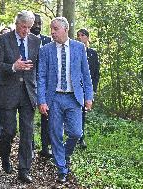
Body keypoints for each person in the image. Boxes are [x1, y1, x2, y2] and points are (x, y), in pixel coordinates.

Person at [37, 17, 93, 183]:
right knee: (55, 133)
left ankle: (64, 154)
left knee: (76, 132)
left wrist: (89, 96)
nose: (52, 32)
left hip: (73, 97)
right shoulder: (46, 50)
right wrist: (42, 100)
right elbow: (41, 77)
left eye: (55, 29)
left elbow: (86, 74)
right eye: (51, 29)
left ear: (65, 29)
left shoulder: (79, 47)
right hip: (53, 98)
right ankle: (62, 168)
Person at [0, 10, 40, 183]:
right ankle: (4, 156)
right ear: (16, 24)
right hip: (8, 92)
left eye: (29, 27)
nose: (25, 31)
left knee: (27, 132)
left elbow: (38, 67)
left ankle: (24, 169)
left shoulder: (36, 41)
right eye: (23, 27)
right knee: (9, 131)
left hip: (28, 93)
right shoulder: (3, 40)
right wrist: (13, 66)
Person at [30, 13, 52, 159]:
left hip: (46, 85)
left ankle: (45, 147)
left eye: (40, 23)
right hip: (30, 84)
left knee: (46, 116)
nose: (37, 26)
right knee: (28, 117)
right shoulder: (25, 40)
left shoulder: (48, 41)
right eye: (35, 23)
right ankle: (29, 146)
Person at [77, 28, 100, 149]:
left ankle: (81, 138)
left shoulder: (93, 53)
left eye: (82, 35)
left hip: (88, 88)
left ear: (87, 37)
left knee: (83, 113)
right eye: (78, 36)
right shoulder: (75, 51)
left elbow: (96, 73)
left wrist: (93, 91)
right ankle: (75, 135)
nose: (79, 37)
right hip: (76, 87)